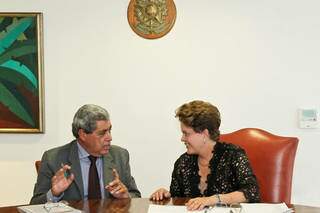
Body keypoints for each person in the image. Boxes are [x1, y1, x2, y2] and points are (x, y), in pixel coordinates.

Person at [150, 100, 260, 211]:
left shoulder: (233, 155)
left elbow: (252, 191)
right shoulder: (183, 162)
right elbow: (178, 199)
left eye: (186, 133)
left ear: (204, 134)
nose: (182, 138)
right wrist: (166, 195)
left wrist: (212, 199)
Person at [30, 104, 141, 204]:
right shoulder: (53, 159)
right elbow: (35, 204)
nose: (109, 138)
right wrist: (54, 194)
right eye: (102, 133)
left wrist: (126, 196)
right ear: (82, 134)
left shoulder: (120, 155)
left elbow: (136, 196)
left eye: (109, 131)